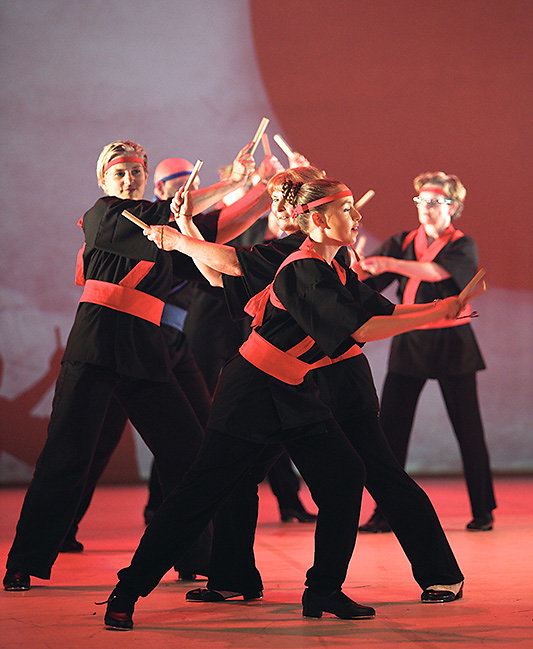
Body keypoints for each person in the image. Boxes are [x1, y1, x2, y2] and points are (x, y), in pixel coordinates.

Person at [101, 177, 466, 629]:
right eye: (347, 210)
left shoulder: (335, 265)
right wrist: (181, 236)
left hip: (297, 390)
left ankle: (323, 590)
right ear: (317, 219)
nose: (358, 217)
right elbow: (357, 327)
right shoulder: (299, 266)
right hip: (251, 392)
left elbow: (380, 311)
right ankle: (129, 589)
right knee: (202, 492)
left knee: (347, 475)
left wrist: (442, 309)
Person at [2, 139, 254, 591]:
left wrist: (264, 190)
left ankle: (196, 555)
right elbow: (173, 213)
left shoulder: (160, 232)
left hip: (143, 351)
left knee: (188, 455)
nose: (129, 179)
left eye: (136, 171)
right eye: (119, 172)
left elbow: (217, 228)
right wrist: (231, 182)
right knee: (66, 454)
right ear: (103, 180)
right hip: (94, 347)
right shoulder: (102, 216)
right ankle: (25, 560)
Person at [358, 171, 496, 533]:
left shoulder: (462, 245)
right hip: (411, 341)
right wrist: (354, 264)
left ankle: (483, 510)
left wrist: (387, 263)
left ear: (453, 206)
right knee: (390, 431)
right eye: (421, 200)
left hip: (453, 343)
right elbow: (372, 278)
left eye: (435, 201)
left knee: (468, 430)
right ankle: (384, 512)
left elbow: (436, 272)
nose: (426, 207)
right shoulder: (403, 241)